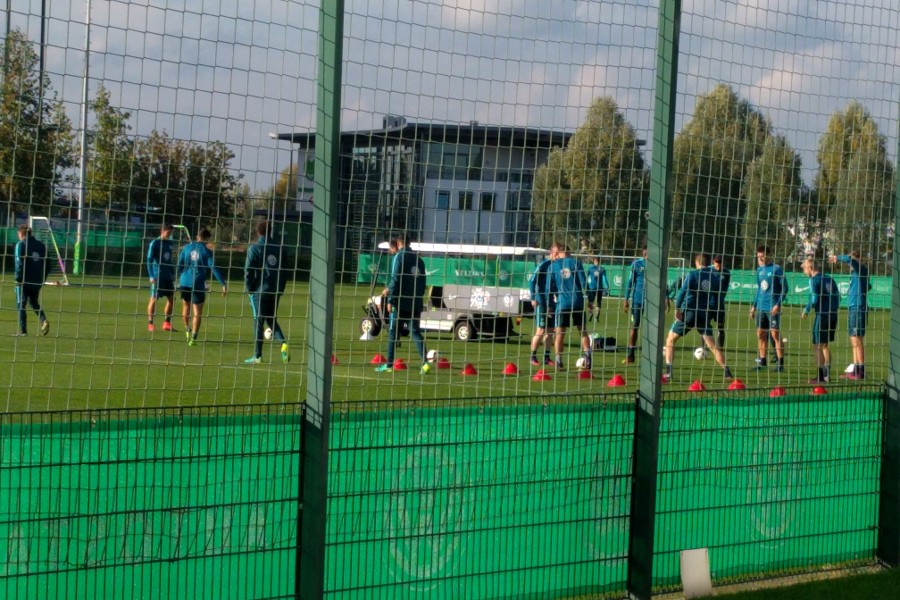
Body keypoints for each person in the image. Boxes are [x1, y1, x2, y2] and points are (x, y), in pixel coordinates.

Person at [662, 253, 733, 383]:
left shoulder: (693, 274)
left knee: (670, 339)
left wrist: (677, 308)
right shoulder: (715, 278)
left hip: (689, 312)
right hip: (703, 313)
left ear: (697, 262)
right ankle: (727, 372)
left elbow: (683, 292)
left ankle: (669, 372)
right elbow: (718, 298)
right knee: (713, 346)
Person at [375, 234, 428, 374]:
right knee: (415, 332)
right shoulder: (420, 260)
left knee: (392, 332)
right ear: (409, 243)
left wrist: (390, 299)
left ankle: (389, 365)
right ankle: (425, 363)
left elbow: (395, 279)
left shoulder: (399, 257)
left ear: (398, 244)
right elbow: (423, 284)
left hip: (401, 303)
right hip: (416, 303)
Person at [243, 221, 289, 364]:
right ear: (270, 232)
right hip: (275, 290)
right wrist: (281, 288)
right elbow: (285, 271)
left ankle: (257, 356)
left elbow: (248, 270)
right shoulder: (280, 248)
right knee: (271, 319)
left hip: (260, 290)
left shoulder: (255, 248)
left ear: (258, 232)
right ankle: (283, 343)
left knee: (258, 321)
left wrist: (249, 288)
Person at [177, 228, 228, 346]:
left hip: (184, 282)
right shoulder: (206, 251)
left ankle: (187, 330)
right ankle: (193, 338)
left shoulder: (186, 248)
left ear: (197, 236)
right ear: (206, 238)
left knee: (185, 307)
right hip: (197, 283)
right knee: (197, 312)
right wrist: (223, 284)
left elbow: (179, 265)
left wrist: (182, 276)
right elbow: (213, 268)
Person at [548, 243, 591, 371]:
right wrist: (590, 300)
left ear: (560, 252)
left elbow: (550, 287)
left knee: (560, 332)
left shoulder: (553, 266)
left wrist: (550, 304)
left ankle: (558, 361)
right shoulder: (576, 263)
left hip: (562, 303)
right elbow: (584, 283)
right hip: (577, 301)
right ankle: (588, 358)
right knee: (582, 330)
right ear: (568, 252)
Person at [829, 251, 870, 380]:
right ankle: (856, 369)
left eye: (853, 259)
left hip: (858, 308)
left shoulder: (860, 269)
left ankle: (861, 371)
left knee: (857, 340)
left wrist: (838, 257)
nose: (850, 263)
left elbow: (850, 260)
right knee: (854, 340)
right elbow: (869, 286)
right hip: (854, 308)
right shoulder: (856, 274)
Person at [801, 258, 840, 383]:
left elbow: (814, 299)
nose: (804, 271)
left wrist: (806, 310)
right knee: (825, 345)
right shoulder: (829, 278)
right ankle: (826, 375)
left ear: (810, 268)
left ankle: (820, 377)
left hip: (822, 315)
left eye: (804, 268)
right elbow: (838, 297)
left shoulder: (813, 280)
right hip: (833, 314)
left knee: (817, 345)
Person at [750, 245, 788, 372]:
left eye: (762, 255)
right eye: (758, 255)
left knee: (775, 335)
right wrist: (754, 306)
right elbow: (759, 290)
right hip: (761, 307)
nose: (760, 257)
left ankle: (780, 364)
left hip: (772, 309)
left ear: (768, 255)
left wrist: (777, 304)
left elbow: (785, 289)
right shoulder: (759, 270)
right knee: (761, 334)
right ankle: (762, 361)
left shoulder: (777, 269)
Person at [13, 224, 50, 336]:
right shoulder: (41, 246)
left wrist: (18, 278)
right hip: (37, 281)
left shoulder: (21, 245)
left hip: (23, 281)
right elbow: (48, 264)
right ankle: (44, 320)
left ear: (21, 233)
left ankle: (23, 331)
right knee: (34, 303)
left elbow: (19, 262)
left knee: (21, 305)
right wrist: (42, 279)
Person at [528, 247, 558, 366]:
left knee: (550, 331)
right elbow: (532, 280)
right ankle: (533, 356)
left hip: (551, 303)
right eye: (556, 253)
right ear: (551, 253)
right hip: (541, 301)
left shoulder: (558, 267)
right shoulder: (544, 265)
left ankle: (547, 357)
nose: (557, 256)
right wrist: (533, 297)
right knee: (540, 330)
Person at [146, 223, 177, 332]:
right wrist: (151, 275)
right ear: (162, 231)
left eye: (171, 233)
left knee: (172, 298)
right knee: (154, 299)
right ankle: (150, 324)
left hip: (167, 276)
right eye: (168, 232)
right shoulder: (155, 243)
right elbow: (149, 260)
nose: (169, 235)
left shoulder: (170, 243)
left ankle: (166, 323)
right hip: (157, 275)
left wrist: (173, 273)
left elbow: (170, 260)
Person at [622, 246, 648, 364]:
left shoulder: (657, 265)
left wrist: (666, 297)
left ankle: (650, 356)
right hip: (637, 300)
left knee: (652, 328)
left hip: (653, 302)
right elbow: (630, 281)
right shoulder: (636, 264)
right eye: (644, 252)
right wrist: (626, 299)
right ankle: (630, 355)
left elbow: (663, 281)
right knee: (635, 325)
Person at [710, 255, 731, 349]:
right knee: (704, 326)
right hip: (708, 304)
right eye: (716, 265)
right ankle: (702, 348)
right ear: (713, 262)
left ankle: (720, 349)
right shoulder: (708, 271)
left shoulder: (726, 273)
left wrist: (720, 298)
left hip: (719, 305)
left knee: (720, 327)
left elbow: (725, 288)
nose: (718, 267)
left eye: (720, 265)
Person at [585, 256, 609, 322]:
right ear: (600, 261)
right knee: (598, 302)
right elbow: (604, 279)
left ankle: (590, 313)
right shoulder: (602, 269)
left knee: (590, 301)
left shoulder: (590, 268)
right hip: (600, 288)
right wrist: (607, 286)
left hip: (592, 288)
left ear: (594, 261)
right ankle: (597, 316)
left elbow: (586, 277)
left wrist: (586, 286)